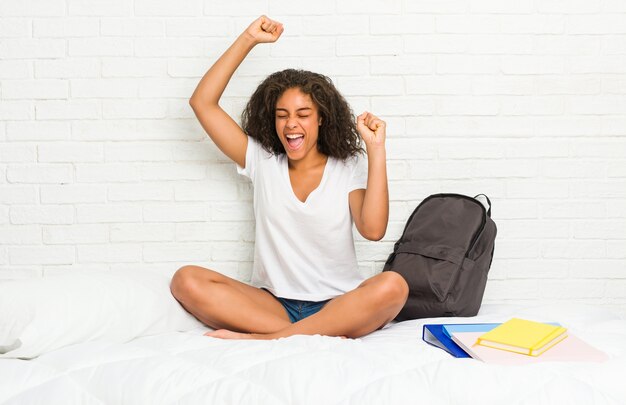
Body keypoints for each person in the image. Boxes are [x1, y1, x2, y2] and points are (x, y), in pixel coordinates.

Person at [170, 15, 408, 340]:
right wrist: (248, 39)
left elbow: (373, 229)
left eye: (303, 114)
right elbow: (202, 103)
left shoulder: (345, 165)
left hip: (338, 303)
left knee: (393, 286)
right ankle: (315, 333)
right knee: (186, 280)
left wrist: (376, 149)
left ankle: (269, 339)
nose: (291, 124)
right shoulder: (262, 160)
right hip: (273, 305)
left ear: (322, 118)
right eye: (282, 115)